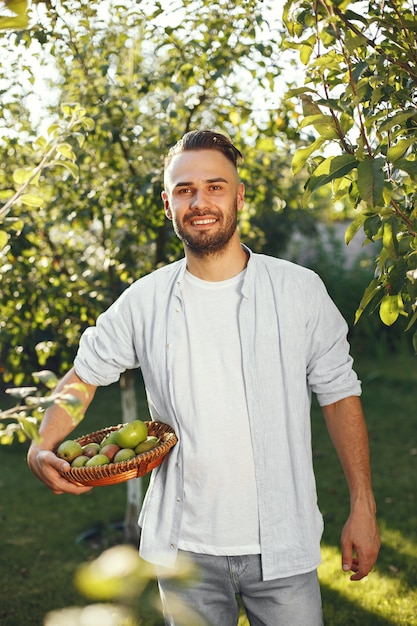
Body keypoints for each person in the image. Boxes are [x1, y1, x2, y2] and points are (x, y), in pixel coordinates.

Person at [28, 129, 380, 626]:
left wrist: (362, 506)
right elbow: (83, 376)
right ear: (168, 204)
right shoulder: (144, 300)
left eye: (215, 186)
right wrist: (43, 443)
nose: (200, 201)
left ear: (239, 196)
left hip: (283, 544)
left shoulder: (298, 290)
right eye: (184, 189)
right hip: (183, 554)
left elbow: (339, 392)